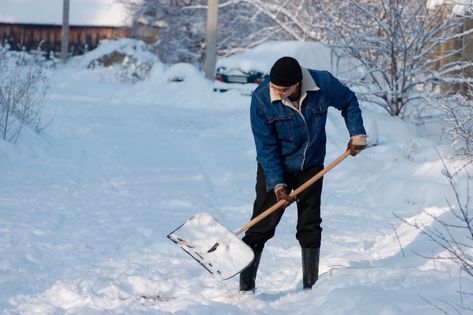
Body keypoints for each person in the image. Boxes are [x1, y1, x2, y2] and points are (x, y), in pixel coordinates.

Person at [240, 56, 368, 292]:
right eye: (274, 88)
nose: (277, 93)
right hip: (275, 165)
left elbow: (348, 100)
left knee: (310, 225)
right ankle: (246, 289)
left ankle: (311, 288)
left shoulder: (323, 84)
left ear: (298, 83)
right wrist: (278, 185)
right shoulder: (261, 99)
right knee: (261, 225)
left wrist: (357, 133)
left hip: (311, 165)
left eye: (284, 89)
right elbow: (266, 148)